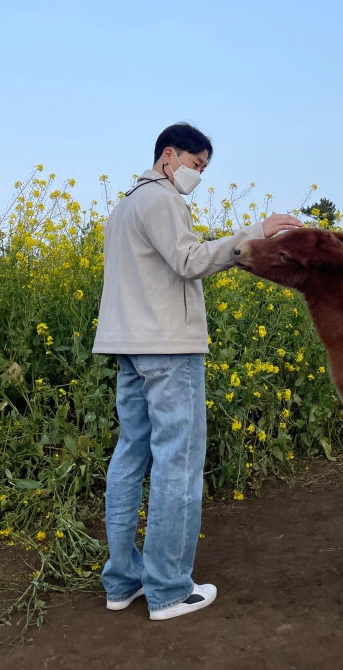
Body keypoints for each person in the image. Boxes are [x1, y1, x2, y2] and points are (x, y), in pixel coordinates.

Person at [92, 122, 303, 620]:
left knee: (130, 458)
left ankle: (123, 582)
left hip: (129, 348)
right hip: (167, 349)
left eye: (204, 168)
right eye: (196, 164)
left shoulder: (123, 207)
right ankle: (167, 589)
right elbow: (189, 261)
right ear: (169, 156)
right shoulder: (162, 200)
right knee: (177, 463)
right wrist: (257, 233)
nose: (199, 175)